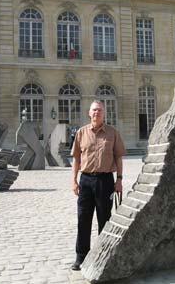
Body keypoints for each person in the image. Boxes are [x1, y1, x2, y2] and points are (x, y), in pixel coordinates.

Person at [70, 100, 126, 271]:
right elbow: (76, 159)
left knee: (105, 218)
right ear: (89, 113)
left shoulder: (112, 133)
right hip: (86, 180)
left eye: (99, 110)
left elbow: (118, 157)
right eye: (94, 110)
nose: (96, 113)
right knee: (83, 219)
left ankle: (104, 254)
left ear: (104, 113)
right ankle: (81, 256)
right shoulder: (81, 133)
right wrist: (74, 180)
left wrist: (119, 179)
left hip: (105, 181)